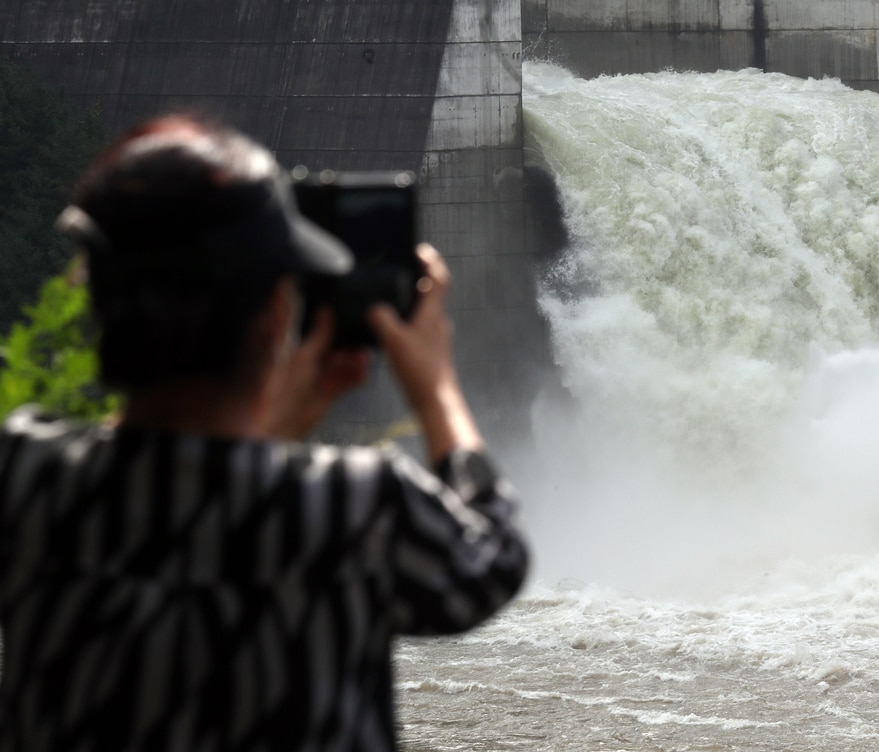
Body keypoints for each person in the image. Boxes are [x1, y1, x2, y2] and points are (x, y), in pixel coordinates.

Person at [0, 115, 529, 751]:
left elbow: (178, 505)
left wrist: (276, 425)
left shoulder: (27, 478)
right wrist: (436, 387)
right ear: (277, 313)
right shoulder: (356, 504)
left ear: (95, 299)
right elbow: (488, 561)